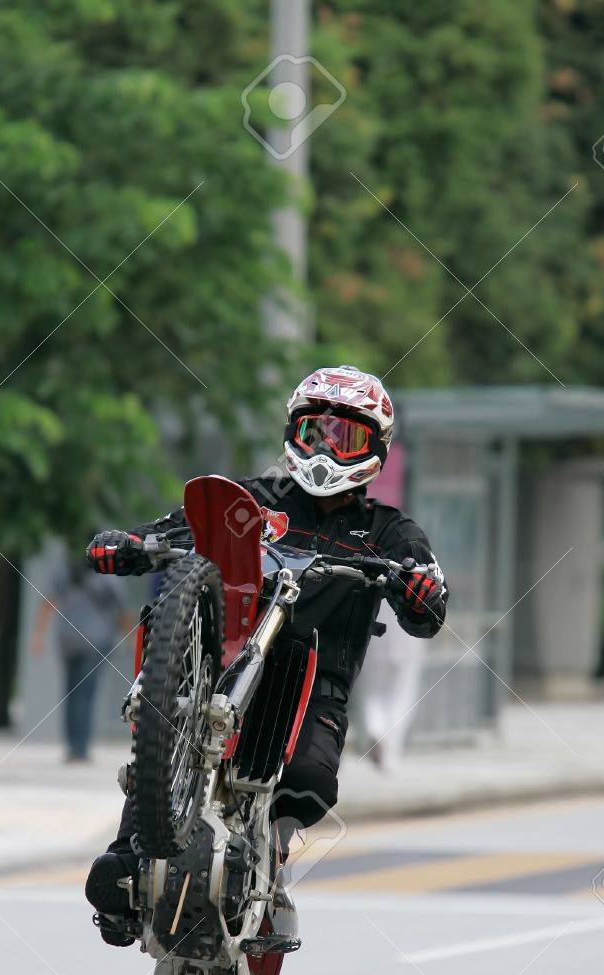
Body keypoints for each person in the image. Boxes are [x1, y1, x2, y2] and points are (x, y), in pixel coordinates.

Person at [83, 365, 448, 943]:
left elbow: (426, 604)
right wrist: (128, 543)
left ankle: (269, 863)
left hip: (315, 680)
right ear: (292, 434)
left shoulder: (388, 530)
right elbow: (178, 529)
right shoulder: (253, 499)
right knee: (175, 718)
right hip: (227, 662)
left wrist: (424, 590)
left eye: (344, 436)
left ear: (374, 448)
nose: (326, 447)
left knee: (307, 779)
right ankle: (128, 859)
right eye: (313, 432)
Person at [31, 556, 126, 763]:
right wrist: (131, 637)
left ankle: (73, 745)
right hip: (96, 638)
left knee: (71, 693)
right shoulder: (106, 574)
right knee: (86, 694)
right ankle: (80, 747)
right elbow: (121, 607)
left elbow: (48, 602)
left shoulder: (64, 568)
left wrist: (38, 635)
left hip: (68, 638)